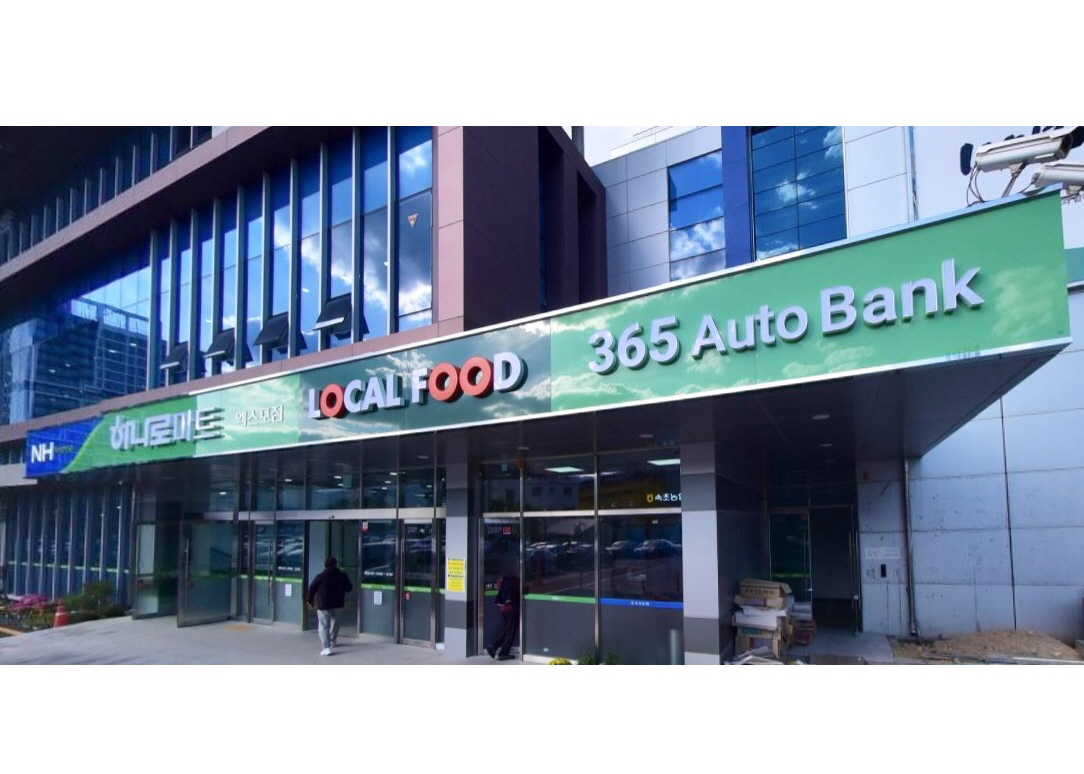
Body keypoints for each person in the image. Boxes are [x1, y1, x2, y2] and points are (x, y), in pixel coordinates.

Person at [306, 556, 353, 656]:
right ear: (336, 564)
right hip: (338, 603)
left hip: (324, 604)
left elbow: (311, 588)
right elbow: (349, 588)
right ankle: (332, 640)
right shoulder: (342, 575)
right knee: (336, 624)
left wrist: (310, 600)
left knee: (324, 626)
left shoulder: (320, 576)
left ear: (325, 565)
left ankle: (326, 647)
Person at [486, 566, 520, 661]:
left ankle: (496, 648)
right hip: (511, 607)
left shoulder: (502, 579)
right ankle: (500, 650)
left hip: (503, 607)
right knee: (510, 630)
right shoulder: (512, 580)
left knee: (508, 629)